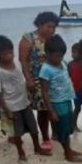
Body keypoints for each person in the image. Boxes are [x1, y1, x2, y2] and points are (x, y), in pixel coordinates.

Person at [0, 36, 50, 161]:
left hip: (25, 103)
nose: (10, 55)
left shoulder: (16, 63)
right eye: (5, 54)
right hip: (12, 107)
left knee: (33, 128)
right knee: (17, 132)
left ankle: (37, 147)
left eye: (11, 51)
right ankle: (21, 153)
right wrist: (6, 110)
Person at [19, 11, 59, 151]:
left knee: (54, 106)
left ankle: (56, 133)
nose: (51, 30)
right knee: (43, 110)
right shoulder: (28, 38)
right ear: (40, 24)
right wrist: (28, 79)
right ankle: (46, 138)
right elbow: (23, 60)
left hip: (53, 79)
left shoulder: (53, 39)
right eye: (49, 26)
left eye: (54, 27)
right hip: (36, 81)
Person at [40, 34, 82, 162]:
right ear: (47, 53)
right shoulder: (46, 70)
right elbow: (44, 92)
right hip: (57, 104)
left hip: (67, 99)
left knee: (68, 128)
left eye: (62, 55)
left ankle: (69, 149)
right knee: (62, 130)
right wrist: (51, 111)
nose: (60, 58)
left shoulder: (63, 63)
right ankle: (67, 154)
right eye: (57, 56)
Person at [68, 43, 82, 132]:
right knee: (77, 108)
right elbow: (67, 77)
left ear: (81, 53)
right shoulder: (70, 64)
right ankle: (74, 125)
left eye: (75, 52)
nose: (73, 54)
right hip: (75, 91)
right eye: (72, 52)